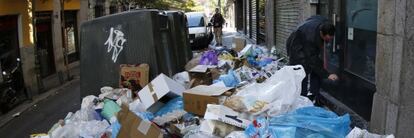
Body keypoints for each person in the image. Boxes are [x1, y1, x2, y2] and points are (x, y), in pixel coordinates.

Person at [286, 15, 338, 106]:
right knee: (303, 71)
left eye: (331, 38)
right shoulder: (311, 38)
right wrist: (327, 74)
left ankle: (313, 94)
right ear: (321, 33)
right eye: (327, 39)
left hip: (303, 39)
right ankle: (301, 100)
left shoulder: (325, 23)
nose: (329, 41)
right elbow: (312, 60)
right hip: (296, 47)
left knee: (316, 67)